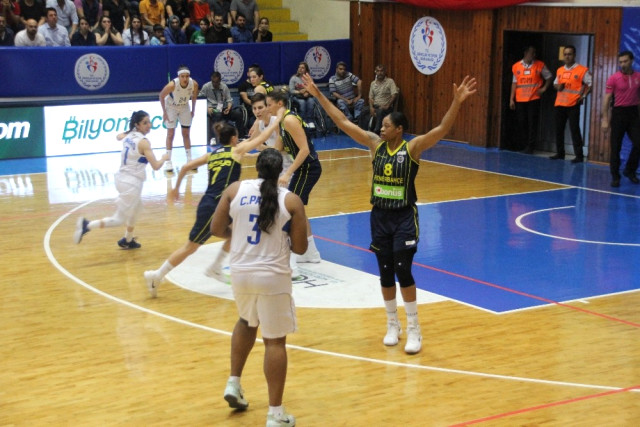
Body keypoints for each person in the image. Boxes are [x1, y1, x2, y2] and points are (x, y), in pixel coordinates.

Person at [302, 72, 477, 354]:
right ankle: (392, 324)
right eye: (380, 125)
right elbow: (342, 121)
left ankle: (415, 328)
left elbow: (442, 129)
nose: (380, 128)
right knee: (384, 272)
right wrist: (318, 94)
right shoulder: (374, 145)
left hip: (404, 217)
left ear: (398, 129)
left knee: (402, 269)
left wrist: (457, 102)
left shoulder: (413, 148)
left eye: (386, 125)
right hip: (379, 217)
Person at [210, 148, 307, 427]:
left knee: (245, 321)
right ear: (280, 172)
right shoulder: (290, 200)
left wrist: (237, 234)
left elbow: (217, 228)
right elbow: (300, 248)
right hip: (272, 275)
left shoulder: (235, 189)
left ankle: (234, 382)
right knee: (275, 341)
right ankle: (276, 414)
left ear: (257, 167)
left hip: (240, 272)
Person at [144, 112, 285, 297]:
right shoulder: (236, 151)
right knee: (191, 247)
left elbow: (186, 167)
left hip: (215, 203)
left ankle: (216, 267)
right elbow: (263, 137)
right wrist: (278, 120)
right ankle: (157, 275)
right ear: (234, 138)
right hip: (216, 205)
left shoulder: (211, 154)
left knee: (236, 233)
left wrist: (176, 189)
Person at [73, 110, 169, 249]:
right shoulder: (144, 143)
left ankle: (127, 240)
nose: (149, 125)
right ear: (137, 125)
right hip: (132, 183)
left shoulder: (129, 135)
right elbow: (155, 166)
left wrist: (127, 133)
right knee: (119, 219)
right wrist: (164, 158)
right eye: (145, 123)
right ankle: (86, 225)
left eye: (149, 121)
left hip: (122, 178)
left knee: (136, 210)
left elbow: (118, 136)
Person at [266, 90, 323, 276]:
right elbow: (279, 146)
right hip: (303, 169)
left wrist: (288, 173)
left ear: (280, 104)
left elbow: (305, 149)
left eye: (269, 104)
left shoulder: (290, 120)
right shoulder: (282, 122)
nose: (267, 108)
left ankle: (292, 266)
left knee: (290, 210)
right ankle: (311, 253)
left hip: (309, 168)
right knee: (299, 211)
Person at [601, 50, 640, 187]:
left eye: (625, 61)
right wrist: (605, 119)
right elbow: (606, 99)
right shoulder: (614, 78)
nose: (622, 64)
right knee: (615, 147)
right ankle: (615, 176)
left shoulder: (638, 77)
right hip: (618, 114)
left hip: (633, 113)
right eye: (621, 62)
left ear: (631, 61)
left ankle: (630, 170)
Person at [549, 45, 592, 163]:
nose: (567, 56)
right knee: (559, 129)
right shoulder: (560, 70)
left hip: (573, 104)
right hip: (560, 103)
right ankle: (560, 153)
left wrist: (583, 96)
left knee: (574, 130)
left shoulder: (582, 70)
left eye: (570, 54)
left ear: (574, 55)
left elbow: (591, 84)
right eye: (565, 54)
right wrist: (558, 86)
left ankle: (579, 155)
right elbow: (555, 84)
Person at [509, 46, 553, 154]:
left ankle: (530, 147)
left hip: (534, 98)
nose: (533, 55)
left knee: (532, 123)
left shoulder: (539, 65)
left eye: (534, 53)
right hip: (520, 99)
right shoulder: (516, 66)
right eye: (531, 53)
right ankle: (523, 144)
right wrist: (511, 99)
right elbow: (514, 83)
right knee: (522, 121)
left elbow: (549, 77)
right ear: (525, 53)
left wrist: (544, 88)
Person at [159, 65, 199, 174]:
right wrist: (164, 112)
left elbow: (194, 97)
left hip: (184, 106)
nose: (185, 79)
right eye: (182, 76)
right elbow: (161, 96)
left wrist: (193, 110)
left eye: (187, 76)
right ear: (179, 77)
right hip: (171, 106)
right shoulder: (172, 84)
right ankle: (168, 161)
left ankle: (189, 159)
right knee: (170, 134)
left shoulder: (194, 84)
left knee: (186, 133)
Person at [199, 71, 245, 140]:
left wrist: (229, 108)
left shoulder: (224, 87)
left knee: (238, 114)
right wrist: (207, 108)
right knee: (218, 115)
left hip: (223, 108)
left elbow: (229, 100)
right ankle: (217, 138)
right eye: (213, 82)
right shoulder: (206, 87)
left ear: (220, 81)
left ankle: (240, 136)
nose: (215, 84)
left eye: (217, 82)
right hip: (212, 109)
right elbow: (200, 100)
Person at [368, 64, 399, 134]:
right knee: (364, 111)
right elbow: (370, 97)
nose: (380, 73)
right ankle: (364, 131)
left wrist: (388, 105)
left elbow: (394, 94)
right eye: (378, 71)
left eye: (381, 71)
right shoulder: (372, 83)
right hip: (375, 106)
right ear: (375, 72)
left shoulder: (390, 81)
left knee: (380, 111)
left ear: (385, 72)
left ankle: (377, 131)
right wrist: (371, 107)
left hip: (386, 107)